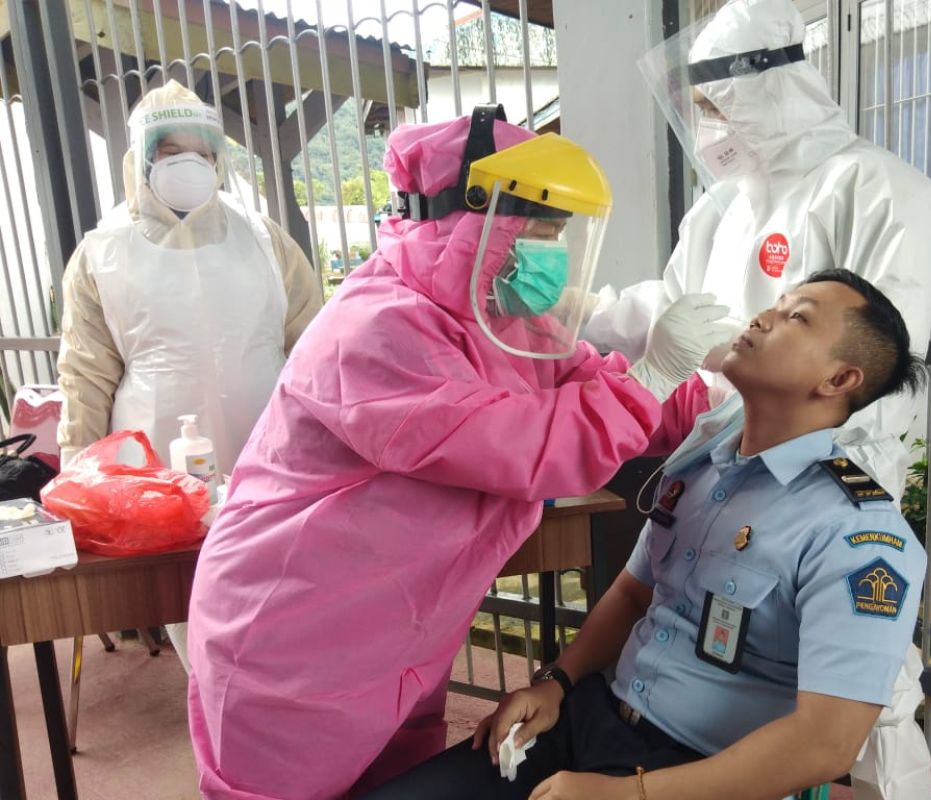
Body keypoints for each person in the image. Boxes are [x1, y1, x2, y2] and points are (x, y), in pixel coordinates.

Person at [186, 107, 730, 800]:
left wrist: (704, 398)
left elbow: (580, 385)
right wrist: (650, 378)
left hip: (397, 629)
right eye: (537, 229)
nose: (550, 251)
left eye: (559, 232)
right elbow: (538, 445)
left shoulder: (497, 319)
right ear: (475, 220)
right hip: (296, 635)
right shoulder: (377, 330)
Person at [366, 269, 928, 800]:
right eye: (774, 306)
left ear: (839, 379)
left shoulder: (859, 536)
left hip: (691, 773)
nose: (761, 318)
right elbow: (635, 591)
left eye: (796, 317)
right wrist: (555, 683)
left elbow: (824, 745)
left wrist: (628, 794)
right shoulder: (705, 464)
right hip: (591, 716)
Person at [577, 0, 931, 499]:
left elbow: (883, 363)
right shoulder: (725, 205)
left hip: (824, 472)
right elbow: (680, 312)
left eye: (716, 109)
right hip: (716, 454)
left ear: (769, 91)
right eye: (702, 111)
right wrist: (588, 310)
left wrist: (805, 450)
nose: (709, 128)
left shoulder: (882, 190)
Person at [55, 80, 322, 672]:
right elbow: (86, 376)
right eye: (171, 149)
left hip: (272, 462)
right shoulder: (103, 253)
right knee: (197, 627)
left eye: (201, 151)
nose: (189, 164)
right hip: (159, 483)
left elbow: (315, 348)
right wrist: (81, 485)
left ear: (218, 158)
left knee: (284, 619)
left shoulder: (263, 239)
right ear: (142, 159)